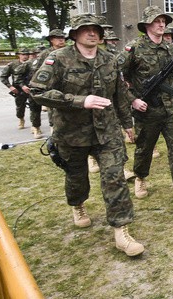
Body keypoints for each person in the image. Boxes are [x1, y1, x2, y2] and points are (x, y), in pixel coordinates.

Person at [29, 14, 144, 257]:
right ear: (75, 34)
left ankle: (121, 230)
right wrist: (80, 101)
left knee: (115, 178)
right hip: (72, 132)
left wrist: (127, 124)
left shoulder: (110, 59)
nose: (92, 33)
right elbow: (38, 92)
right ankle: (78, 205)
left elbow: (120, 94)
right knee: (76, 178)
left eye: (96, 29)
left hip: (107, 132)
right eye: (86, 29)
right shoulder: (58, 58)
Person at [117, 6, 173, 212]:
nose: (161, 24)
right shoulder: (134, 48)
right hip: (147, 110)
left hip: (171, 109)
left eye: (163, 20)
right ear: (147, 24)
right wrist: (132, 99)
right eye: (157, 20)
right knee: (144, 149)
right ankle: (140, 177)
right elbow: (117, 77)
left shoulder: (171, 49)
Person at [0, 48, 34, 131]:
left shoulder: (33, 64)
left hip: (31, 88)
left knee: (34, 107)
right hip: (19, 89)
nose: (25, 56)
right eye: (23, 54)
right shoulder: (13, 64)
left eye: (27, 55)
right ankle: (21, 119)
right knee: (20, 107)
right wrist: (10, 86)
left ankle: (34, 124)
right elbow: (3, 77)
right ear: (19, 55)